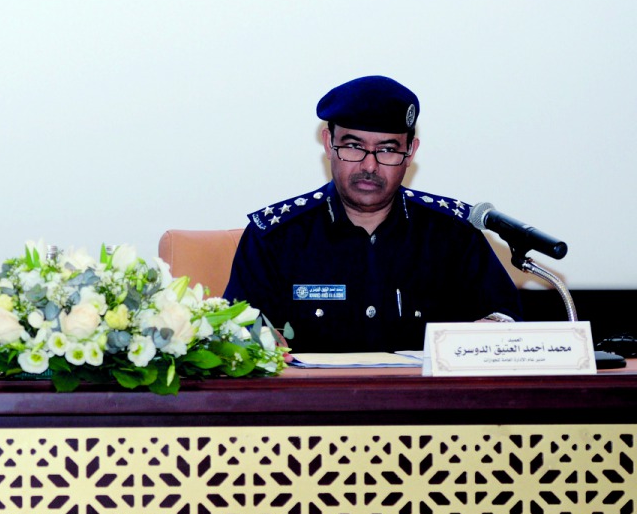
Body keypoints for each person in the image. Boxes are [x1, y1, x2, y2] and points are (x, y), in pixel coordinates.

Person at [222, 75, 521, 353]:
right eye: (353, 146)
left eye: (387, 150)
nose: (369, 166)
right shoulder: (275, 236)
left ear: (411, 152)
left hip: (425, 406)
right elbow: (237, 333)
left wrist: (495, 328)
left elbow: (504, 317)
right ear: (329, 144)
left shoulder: (453, 234)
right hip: (311, 405)